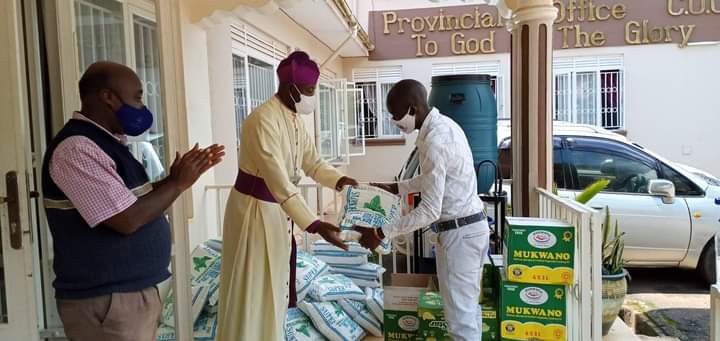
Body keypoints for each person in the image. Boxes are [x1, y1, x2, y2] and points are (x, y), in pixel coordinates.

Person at [41, 61, 225, 341]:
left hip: (123, 296)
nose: (142, 105)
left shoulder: (108, 144)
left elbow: (127, 201)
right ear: (108, 97)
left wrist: (172, 180)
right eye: (137, 96)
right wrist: (177, 183)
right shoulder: (76, 149)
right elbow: (126, 219)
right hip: (107, 300)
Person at [217, 51, 358, 341]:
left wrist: (339, 180)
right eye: (309, 91)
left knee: (274, 290)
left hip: (278, 212)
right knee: (252, 291)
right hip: (253, 214)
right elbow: (280, 182)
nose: (313, 97)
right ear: (290, 87)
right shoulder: (261, 120)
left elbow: (313, 162)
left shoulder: (294, 119)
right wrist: (316, 225)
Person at [355, 79, 490, 341]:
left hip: (460, 235)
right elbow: (432, 178)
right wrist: (397, 187)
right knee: (467, 312)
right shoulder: (442, 127)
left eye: (396, 114)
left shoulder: (437, 140)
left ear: (413, 108)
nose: (394, 120)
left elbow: (429, 210)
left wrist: (381, 232)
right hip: (468, 230)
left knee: (460, 321)